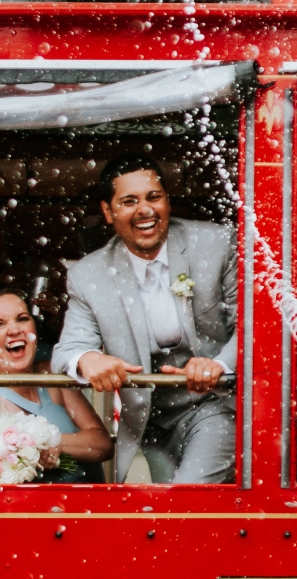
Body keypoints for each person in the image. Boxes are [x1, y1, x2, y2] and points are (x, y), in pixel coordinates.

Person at [51, 155, 237, 484]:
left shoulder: (215, 244)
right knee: (154, 513)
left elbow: (255, 327)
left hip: (215, 404)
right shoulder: (88, 274)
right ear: (108, 212)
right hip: (148, 420)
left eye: (154, 197)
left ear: (167, 200)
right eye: (129, 201)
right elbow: (67, 350)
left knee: (187, 497)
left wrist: (219, 365)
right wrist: (88, 358)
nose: (145, 210)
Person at [0, 291, 112, 482]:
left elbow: (102, 444)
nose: (14, 330)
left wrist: (55, 443)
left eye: (22, 319)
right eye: (0, 324)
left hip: (90, 504)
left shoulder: (51, 374)